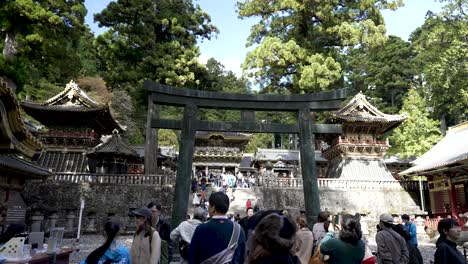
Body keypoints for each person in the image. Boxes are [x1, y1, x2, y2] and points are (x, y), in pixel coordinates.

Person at [189, 191, 245, 264]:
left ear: (213, 208)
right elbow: (242, 257)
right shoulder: (238, 229)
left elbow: (193, 256)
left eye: (209, 205)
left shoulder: (201, 228)